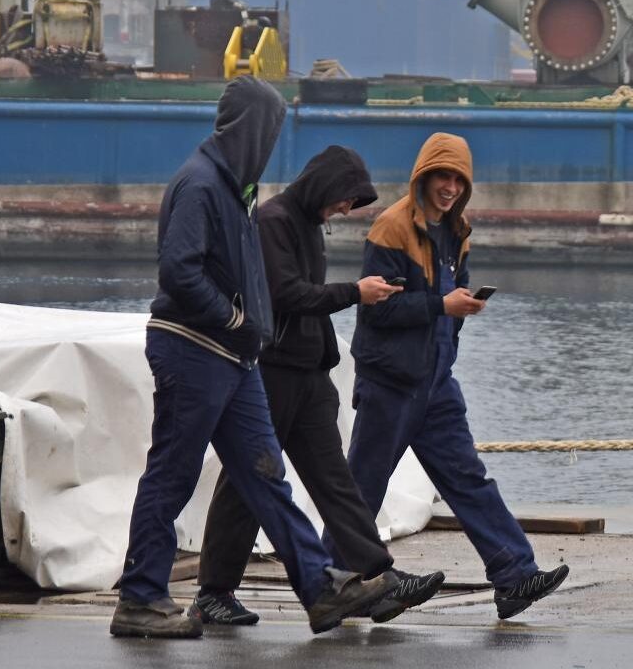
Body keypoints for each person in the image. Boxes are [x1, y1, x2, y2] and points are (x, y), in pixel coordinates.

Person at [112, 78, 395, 640]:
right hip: (195, 349)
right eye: (269, 130)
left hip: (235, 359)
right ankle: (140, 598)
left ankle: (320, 588)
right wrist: (235, 319)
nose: (271, 144)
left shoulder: (236, 190)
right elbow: (179, 271)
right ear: (250, 130)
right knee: (172, 474)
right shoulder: (200, 185)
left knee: (267, 477)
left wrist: (245, 332)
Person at [192, 145, 446, 627]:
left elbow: (305, 299)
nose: (346, 209)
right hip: (273, 373)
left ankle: (377, 576)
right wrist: (356, 292)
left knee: (336, 481)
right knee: (247, 482)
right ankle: (214, 591)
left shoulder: (307, 224)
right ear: (324, 186)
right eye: (345, 199)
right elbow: (285, 294)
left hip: (309, 375)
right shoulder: (274, 222)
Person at [343, 132, 568, 620]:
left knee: (468, 477)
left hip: (436, 381)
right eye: (442, 177)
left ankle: (514, 574)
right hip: (390, 381)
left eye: (458, 179)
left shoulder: (457, 231)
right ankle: (343, 582)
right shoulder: (391, 228)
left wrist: (459, 309)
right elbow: (377, 309)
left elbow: (450, 298)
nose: (449, 187)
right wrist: (442, 306)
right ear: (423, 177)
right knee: (363, 486)